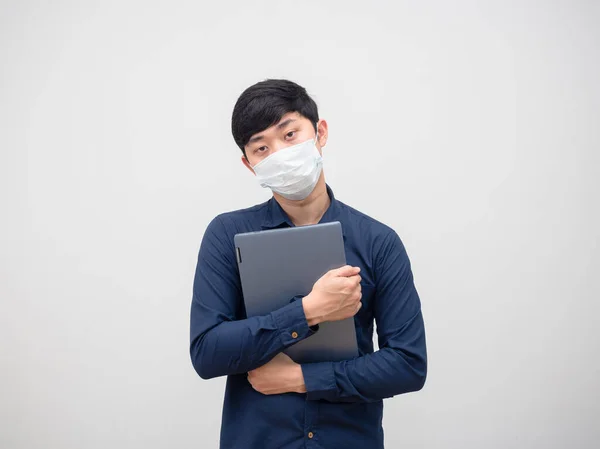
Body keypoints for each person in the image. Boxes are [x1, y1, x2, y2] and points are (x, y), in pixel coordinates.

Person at [189, 79, 427, 449]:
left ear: (320, 132)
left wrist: (302, 378)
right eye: (262, 148)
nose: (280, 154)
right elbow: (206, 352)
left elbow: (408, 364)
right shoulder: (227, 235)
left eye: (289, 134)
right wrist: (307, 311)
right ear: (249, 164)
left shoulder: (378, 242)